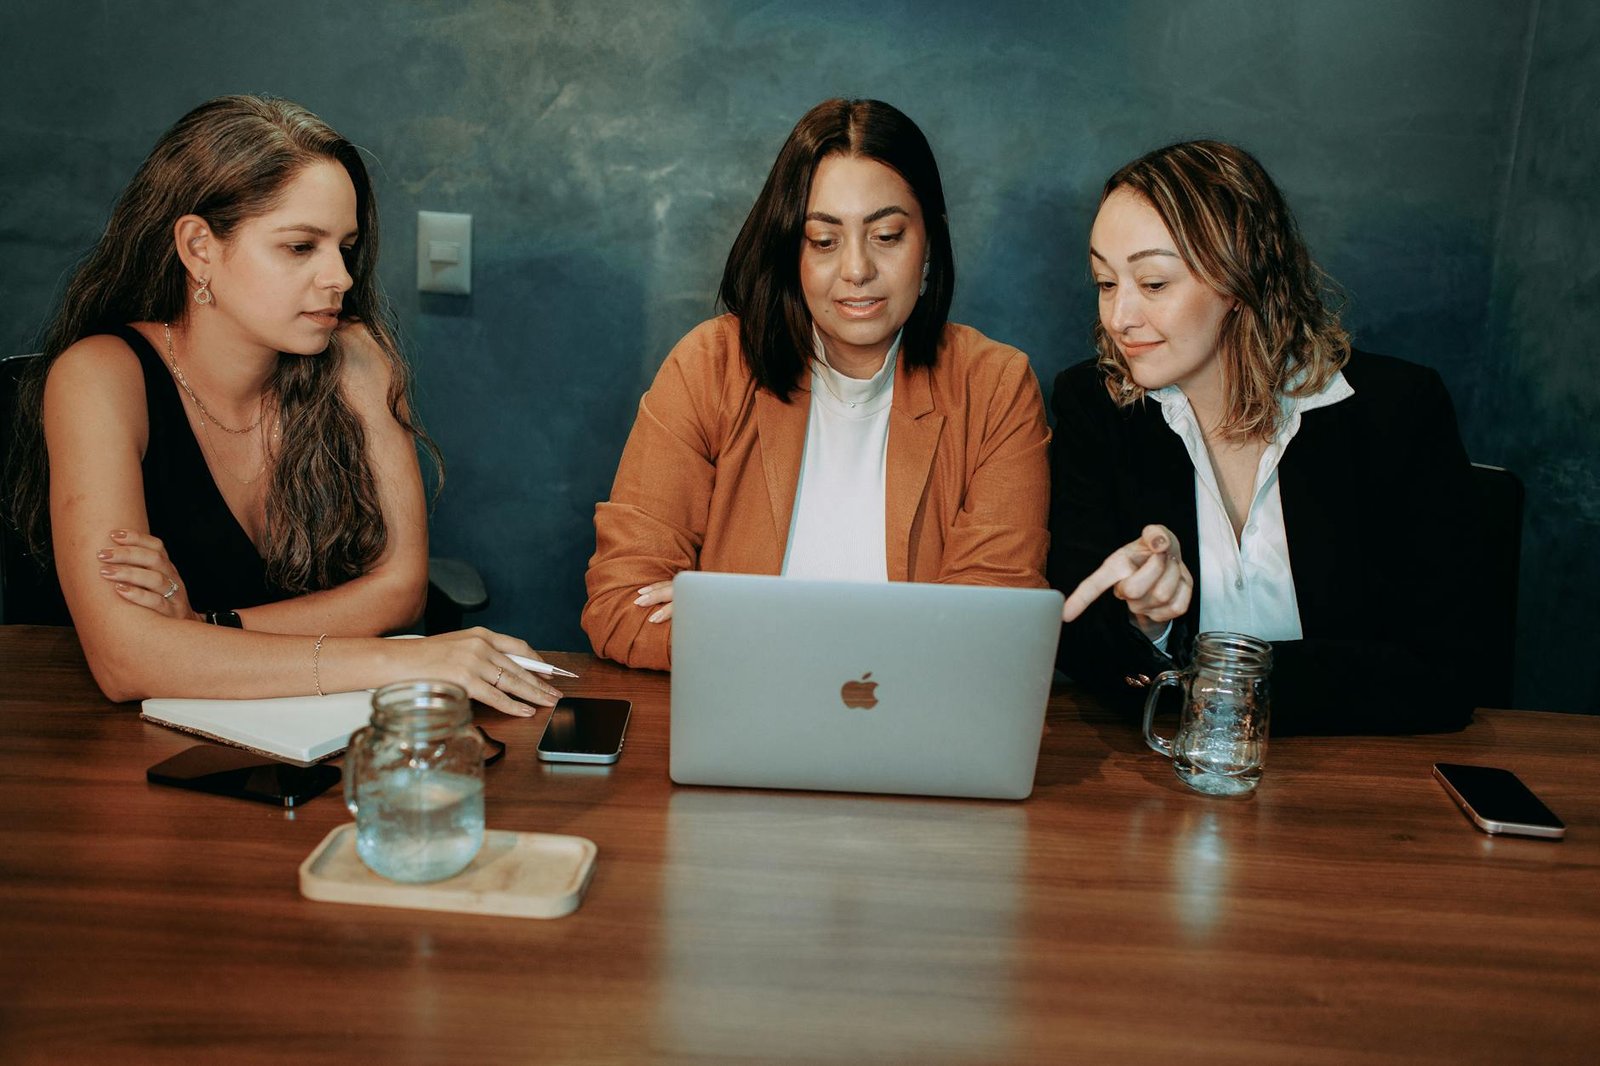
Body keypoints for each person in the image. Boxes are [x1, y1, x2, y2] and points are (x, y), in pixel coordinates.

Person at [2, 95, 559, 715]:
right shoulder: (101, 376)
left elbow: (400, 591)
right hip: (124, 754)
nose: (341, 278)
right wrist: (406, 659)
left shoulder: (356, 358)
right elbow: (124, 661)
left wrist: (201, 630)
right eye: (300, 247)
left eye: (344, 246)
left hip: (311, 733)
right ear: (198, 248)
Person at [583, 98, 1050, 670]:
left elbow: (994, 629)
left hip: (912, 741)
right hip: (742, 732)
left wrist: (733, 627)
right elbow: (620, 603)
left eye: (887, 235)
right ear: (790, 251)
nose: (856, 269)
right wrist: (890, 638)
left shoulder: (996, 386)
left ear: (929, 243)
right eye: (824, 241)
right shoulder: (708, 366)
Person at [1051, 140, 1474, 735]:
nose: (1119, 318)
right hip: (1169, 779)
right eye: (1104, 282)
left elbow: (1444, 675)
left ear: (1237, 276)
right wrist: (1149, 625)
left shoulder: (1398, 412)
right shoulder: (1092, 407)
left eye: (1151, 283)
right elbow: (1081, 645)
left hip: (1356, 787)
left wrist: (1218, 678)